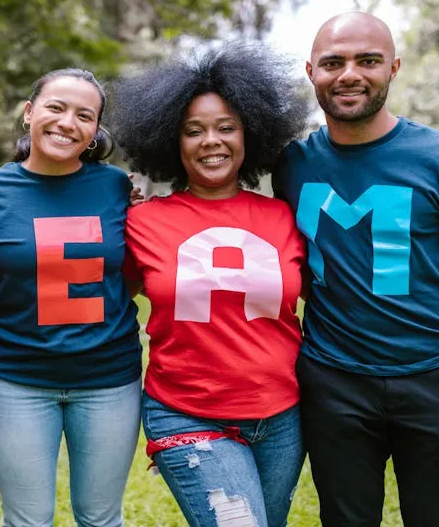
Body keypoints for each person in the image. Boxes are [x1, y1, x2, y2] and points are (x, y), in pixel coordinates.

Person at [271, 12, 439, 526]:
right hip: (333, 381)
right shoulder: (290, 165)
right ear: (311, 71)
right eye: (333, 62)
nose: (349, 74)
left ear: (394, 68)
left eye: (368, 61)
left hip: (436, 381)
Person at [110, 43, 311, 527]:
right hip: (186, 411)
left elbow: (336, 287)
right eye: (193, 131)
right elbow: (92, 278)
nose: (211, 142)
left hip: (283, 415)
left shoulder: (285, 216)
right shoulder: (141, 222)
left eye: (227, 127)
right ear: (170, 141)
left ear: (250, 134)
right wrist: (1, 287)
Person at [0, 68, 142, 527]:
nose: (67, 122)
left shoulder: (115, 187)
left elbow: (131, 271)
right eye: (55, 107)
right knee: (26, 519)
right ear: (29, 113)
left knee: (101, 517)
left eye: (84, 115)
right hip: (18, 379)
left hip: (109, 380)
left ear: (95, 131)